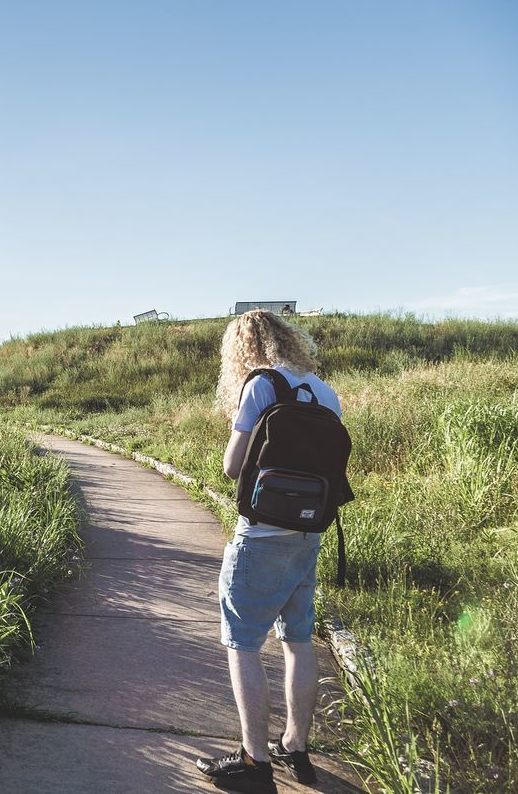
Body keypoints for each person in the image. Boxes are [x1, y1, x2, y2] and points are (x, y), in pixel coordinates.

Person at [196, 309, 340, 793]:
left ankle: (255, 757)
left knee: (242, 643)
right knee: (298, 639)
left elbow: (232, 467)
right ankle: (296, 746)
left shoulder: (259, 385)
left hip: (260, 535)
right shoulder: (324, 390)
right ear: (287, 337)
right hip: (309, 533)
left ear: (242, 346)